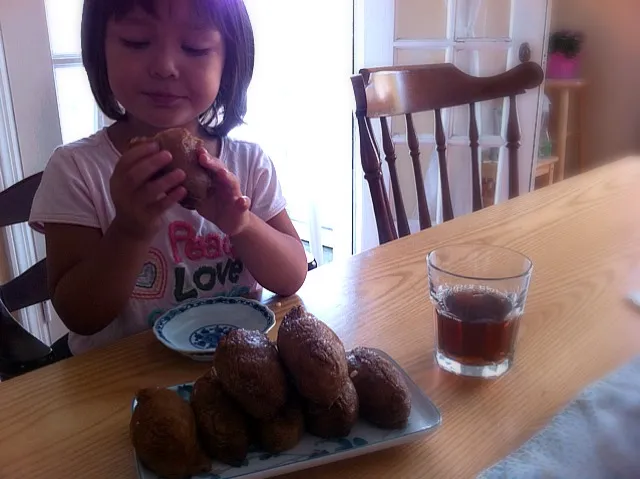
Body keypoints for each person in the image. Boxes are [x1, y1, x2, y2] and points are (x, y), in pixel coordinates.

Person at [28, 0, 308, 357]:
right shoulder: (77, 170)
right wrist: (130, 229)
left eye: (194, 47)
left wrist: (242, 223)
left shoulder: (248, 163)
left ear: (229, 61)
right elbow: (79, 314)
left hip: (237, 369)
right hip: (120, 385)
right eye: (136, 42)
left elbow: (292, 275)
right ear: (100, 50)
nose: (164, 67)